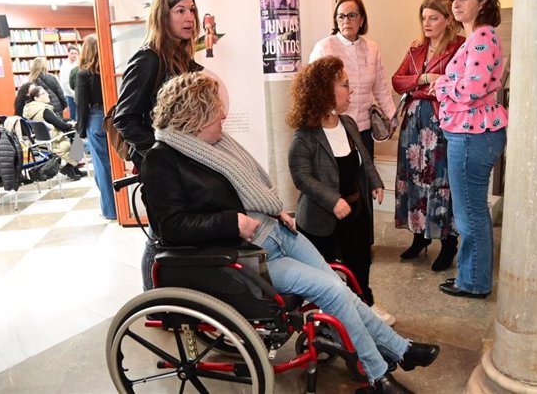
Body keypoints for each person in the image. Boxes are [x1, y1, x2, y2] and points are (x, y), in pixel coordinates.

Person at [141, 71, 439, 394]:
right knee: (332, 291)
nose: (224, 116)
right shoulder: (161, 160)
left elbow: (244, 191)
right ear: (194, 117)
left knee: (338, 284)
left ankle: (401, 350)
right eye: (216, 111)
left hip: (276, 230)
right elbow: (170, 227)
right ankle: (377, 375)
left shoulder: (214, 145)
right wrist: (233, 222)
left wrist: (273, 209)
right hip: (249, 254)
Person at [287, 56, 395, 326]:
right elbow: (302, 178)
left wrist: (375, 181)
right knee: (323, 271)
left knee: (360, 262)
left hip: (355, 210)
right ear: (325, 92)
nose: (351, 90)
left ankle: (365, 302)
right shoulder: (305, 136)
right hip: (319, 219)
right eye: (345, 84)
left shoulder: (348, 123)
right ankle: (327, 315)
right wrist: (332, 200)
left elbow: (363, 158)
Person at [432, 0, 508, 298]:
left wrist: (440, 85)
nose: (456, 3)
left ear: (484, 1)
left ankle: (473, 282)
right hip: (475, 131)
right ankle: (471, 276)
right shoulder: (479, 37)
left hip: (471, 133)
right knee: (473, 211)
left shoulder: (480, 38)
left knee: (470, 214)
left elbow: (472, 89)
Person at [391, 0, 465, 271]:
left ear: (448, 20)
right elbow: (398, 82)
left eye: (433, 17)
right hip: (413, 128)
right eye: (424, 18)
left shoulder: (459, 48)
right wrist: (423, 79)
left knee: (440, 182)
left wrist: (422, 88)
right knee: (414, 181)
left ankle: (448, 243)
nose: (427, 23)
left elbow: (453, 84)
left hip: (440, 127)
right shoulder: (416, 48)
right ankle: (420, 236)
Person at [114, 0, 203, 169]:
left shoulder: (180, 57)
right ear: (163, 16)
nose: (189, 17)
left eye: (192, 10)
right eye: (180, 11)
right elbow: (125, 118)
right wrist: (159, 156)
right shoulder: (148, 59)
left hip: (183, 155)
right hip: (165, 165)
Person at [309, 0, 396, 158]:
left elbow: (381, 88)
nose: (346, 21)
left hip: (364, 128)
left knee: (365, 177)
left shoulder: (372, 48)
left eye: (352, 15)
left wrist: (393, 117)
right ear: (336, 20)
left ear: (361, 20)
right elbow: (313, 91)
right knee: (341, 178)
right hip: (335, 126)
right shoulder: (324, 47)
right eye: (341, 16)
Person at [76, 35, 116, 220]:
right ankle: (122, 206)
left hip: (95, 118)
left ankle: (110, 210)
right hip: (113, 116)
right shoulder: (109, 70)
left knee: (102, 167)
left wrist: (80, 130)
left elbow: (81, 104)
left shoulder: (83, 73)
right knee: (116, 163)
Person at [22, 85, 84, 181]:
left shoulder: (31, 110)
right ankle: (70, 167)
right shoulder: (44, 110)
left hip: (42, 144)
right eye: (43, 93)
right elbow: (62, 126)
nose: (47, 94)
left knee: (73, 136)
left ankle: (73, 169)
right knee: (78, 139)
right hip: (55, 142)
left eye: (46, 92)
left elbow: (55, 123)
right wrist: (71, 124)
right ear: (36, 98)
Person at [59, 44, 80, 121]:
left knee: (80, 115)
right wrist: (73, 94)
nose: (74, 55)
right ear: (68, 53)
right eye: (72, 53)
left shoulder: (78, 64)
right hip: (70, 95)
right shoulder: (65, 66)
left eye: (76, 53)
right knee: (73, 116)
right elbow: (64, 84)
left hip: (78, 93)